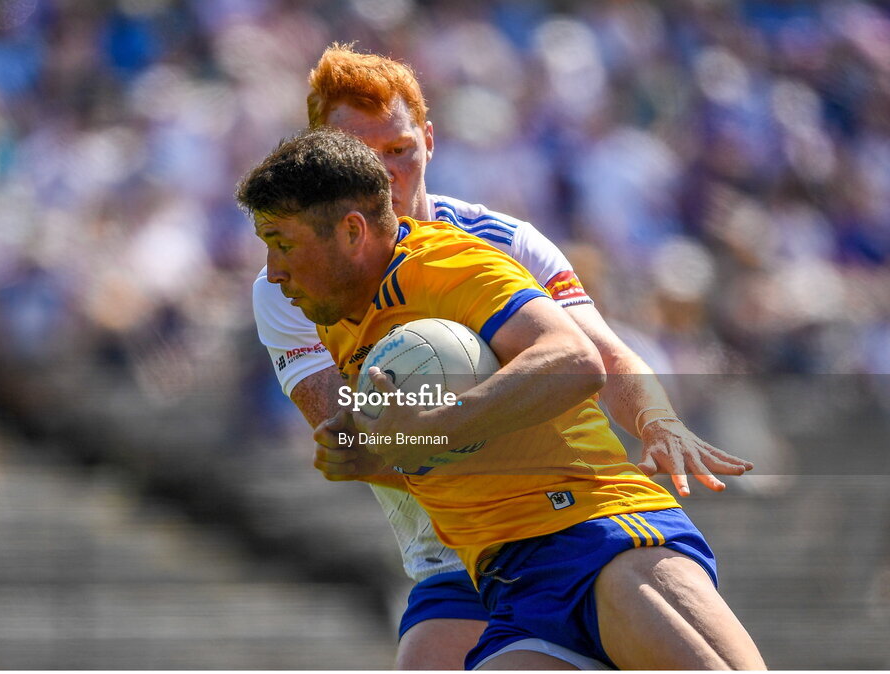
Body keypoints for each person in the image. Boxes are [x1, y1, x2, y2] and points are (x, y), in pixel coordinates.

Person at [250, 45, 754, 670]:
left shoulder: (495, 244)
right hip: (462, 552)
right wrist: (362, 444)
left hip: (580, 526)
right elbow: (356, 434)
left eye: (399, 151)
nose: (382, 176)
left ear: (429, 142)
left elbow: (591, 356)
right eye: (359, 155)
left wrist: (657, 421)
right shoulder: (292, 286)